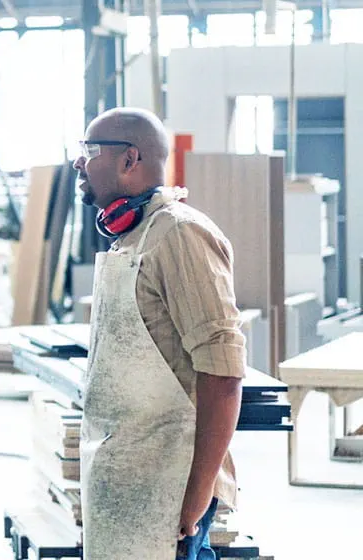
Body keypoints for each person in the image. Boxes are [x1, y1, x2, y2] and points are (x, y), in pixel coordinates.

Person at [72, 107, 245, 560]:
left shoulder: (179, 235)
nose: (78, 163)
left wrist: (197, 493)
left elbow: (223, 372)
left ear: (130, 160)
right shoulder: (134, 237)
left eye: (89, 151)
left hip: (169, 488)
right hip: (131, 475)